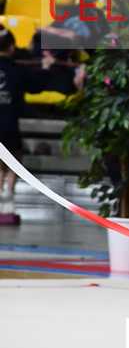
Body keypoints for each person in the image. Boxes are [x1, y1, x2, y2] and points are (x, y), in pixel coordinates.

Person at [0, 26, 80, 222]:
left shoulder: (16, 68)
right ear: (11, 48)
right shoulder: (16, 70)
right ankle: (8, 197)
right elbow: (35, 86)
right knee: (13, 161)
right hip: (8, 124)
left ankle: (2, 197)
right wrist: (46, 67)